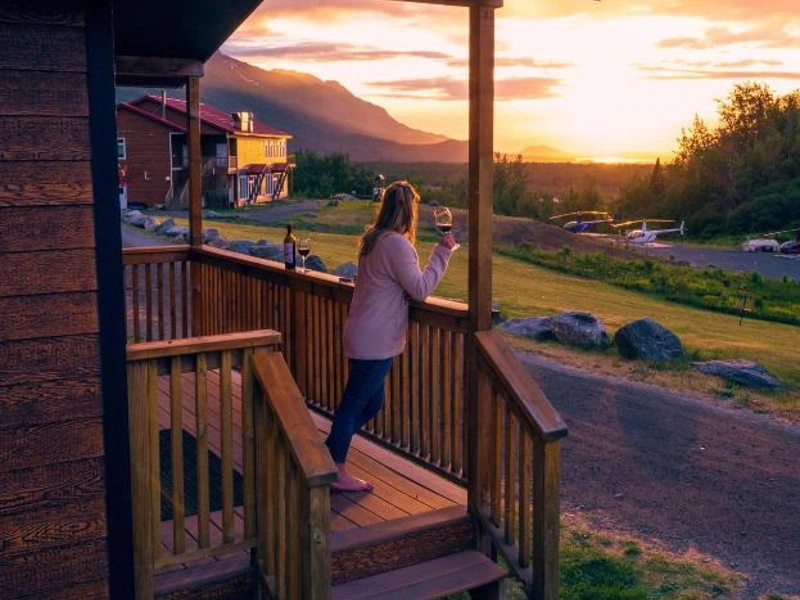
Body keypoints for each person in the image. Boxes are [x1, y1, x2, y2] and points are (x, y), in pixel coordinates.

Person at [325, 181, 457, 492]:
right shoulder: (395, 244)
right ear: (409, 211)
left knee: (371, 404)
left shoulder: (373, 239)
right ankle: (335, 469)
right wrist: (442, 253)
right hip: (375, 339)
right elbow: (420, 289)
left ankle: (328, 451)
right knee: (354, 404)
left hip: (363, 332)